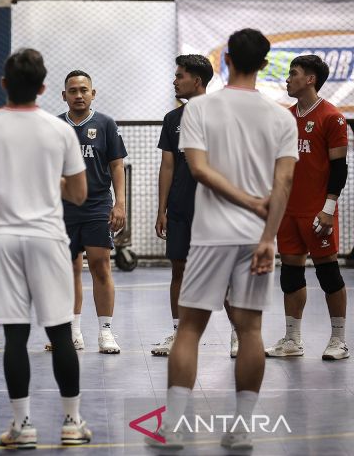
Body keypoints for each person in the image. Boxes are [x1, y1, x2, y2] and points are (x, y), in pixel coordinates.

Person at [148, 29, 297, 450]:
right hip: (255, 238)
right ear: (265, 64)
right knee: (250, 330)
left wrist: (246, 202)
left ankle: (173, 428)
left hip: (210, 235)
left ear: (227, 59)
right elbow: (284, 182)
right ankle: (242, 428)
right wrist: (268, 236)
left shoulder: (199, 109)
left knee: (190, 329)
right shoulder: (281, 118)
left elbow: (198, 169)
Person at [0, 48, 92, 448]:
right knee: (60, 333)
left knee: (15, 336)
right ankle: (72, 422)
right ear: (45, 88)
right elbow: (79, 194)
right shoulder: (59, 130)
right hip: (49, 240)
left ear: (3, 85)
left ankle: (22, 425)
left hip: (6, 242)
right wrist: (43, 181)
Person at [152, 56, 239, 357]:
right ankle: (179, 333)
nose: (175, 81)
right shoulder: (172, 119)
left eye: (180, 76)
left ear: (197, 81)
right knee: (179, 269)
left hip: (214, 209)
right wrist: (162, 209)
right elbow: (167, 166)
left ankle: (239, 333)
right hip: (180, 209)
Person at [266, 55, 349, 360]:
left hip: (317, 212)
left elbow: (339, 168)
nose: (288, 79)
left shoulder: (332, 117)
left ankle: (339, 340)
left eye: (294, 73)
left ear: (311, 79)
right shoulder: (285, 119)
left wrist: (328, 208)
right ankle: (292, 340)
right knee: (290, 276)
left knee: (328, 275)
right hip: (288, 212)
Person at [49, 70, 126, 353]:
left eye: (84, 90)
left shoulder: (105, 124)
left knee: (100, 265)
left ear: (93, 94)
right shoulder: (54, 126)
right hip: (64, 208)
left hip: (97, 205)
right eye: (73, 91)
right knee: (68, 269)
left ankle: (106, 332)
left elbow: (117, 165)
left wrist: (120, 203)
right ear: (64, 95)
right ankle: (73, 331)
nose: (79, 95)